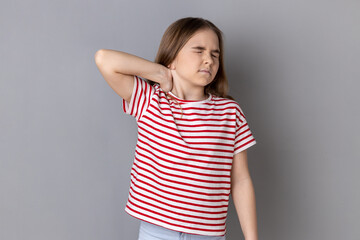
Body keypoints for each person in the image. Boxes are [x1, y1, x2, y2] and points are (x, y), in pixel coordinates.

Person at [95, 17, 258, 240]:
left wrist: (252, 238)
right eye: (198, 51)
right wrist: (160, 73)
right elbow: (104, 59)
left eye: (215, 54)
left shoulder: (229, 112)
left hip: (207, 235)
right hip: (156, 233)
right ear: (172, 58)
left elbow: (240, 180)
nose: (208, 60)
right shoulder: (150, 100)